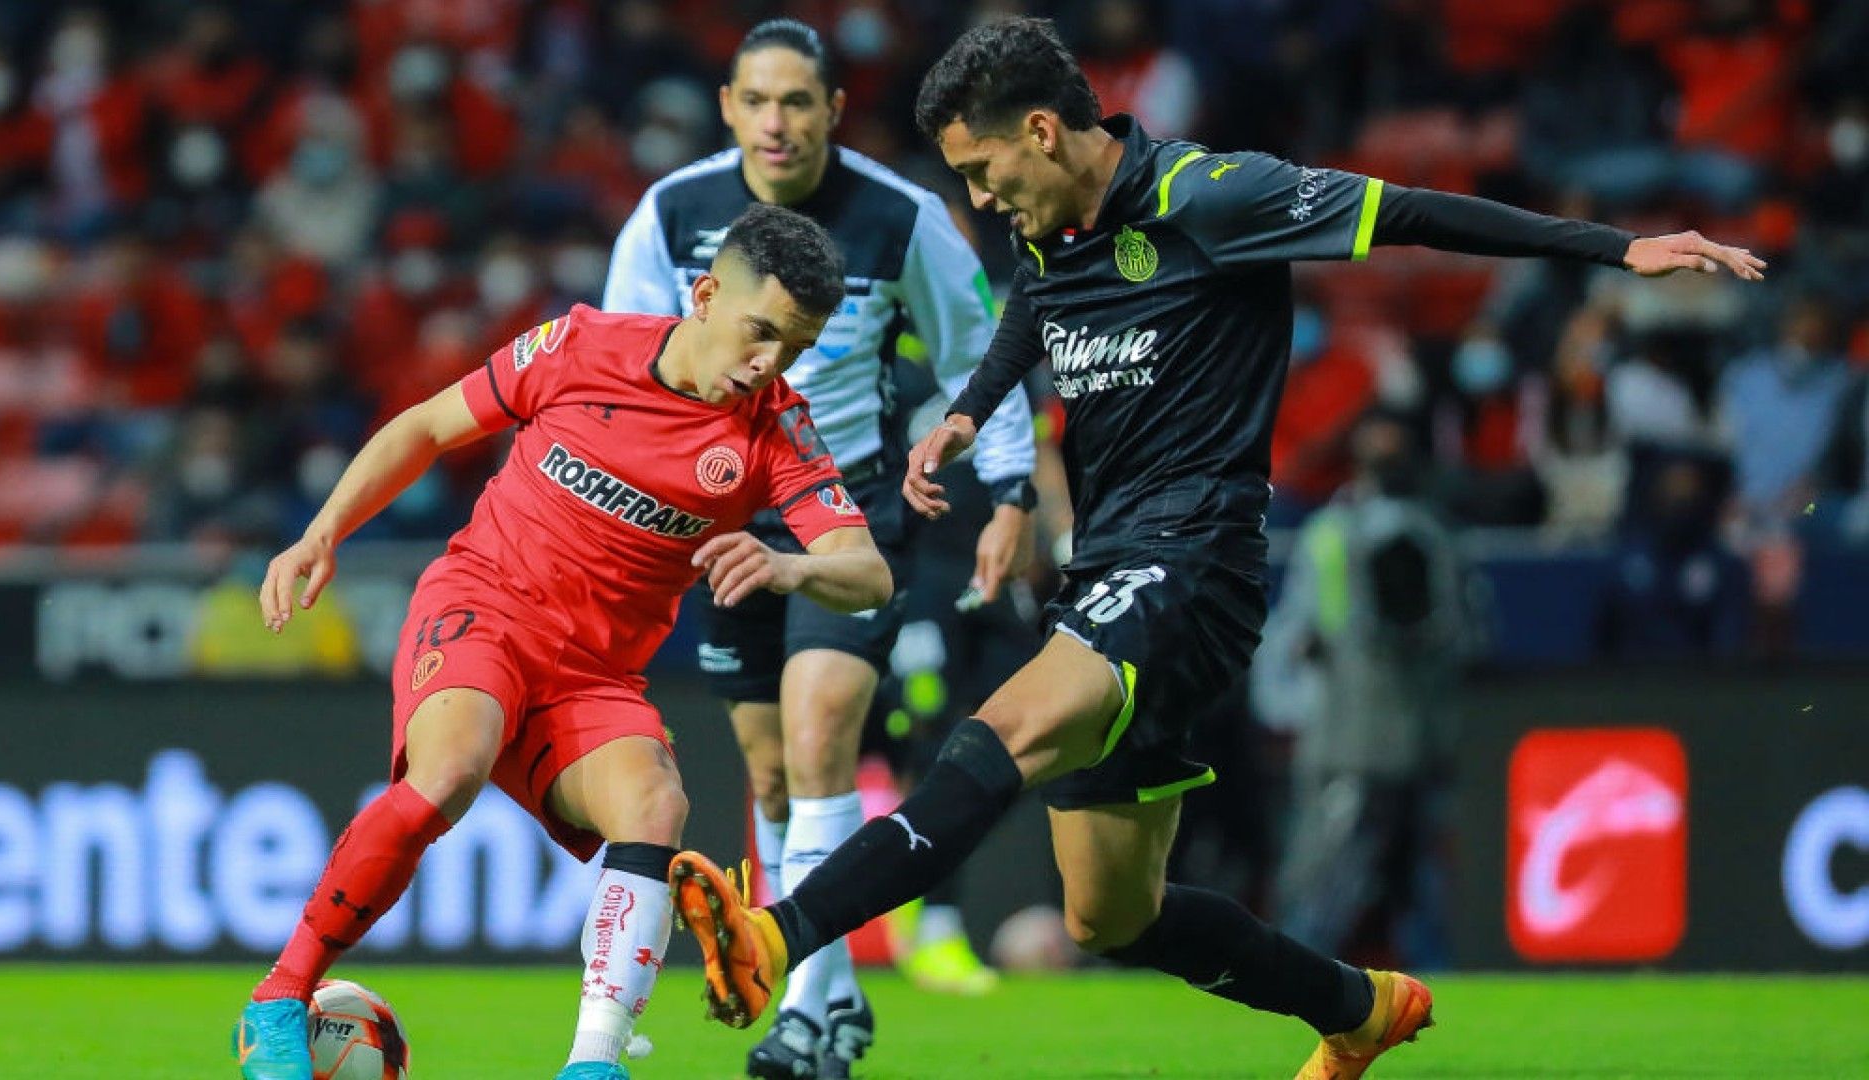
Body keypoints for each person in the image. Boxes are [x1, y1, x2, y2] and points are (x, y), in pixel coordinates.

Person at [665, 17, 1766, 1080]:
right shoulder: (1045, 222)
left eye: (984, 168)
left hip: (1195, 561)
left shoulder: (1213, 196)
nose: (980, 196)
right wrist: (968, 410)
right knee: (1112, 912)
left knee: (996, 730)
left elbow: (1418, 212)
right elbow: (1036, 303)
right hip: (1110, 568)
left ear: (1043, 130)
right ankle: (1359, 1009)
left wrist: (1618, 249)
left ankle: (777, 936)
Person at [229, 203, 893, 1080]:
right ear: (704, 296)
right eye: (761, 331)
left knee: (655, 806)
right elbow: (428, 426)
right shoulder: (579, 347)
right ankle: (280, 995)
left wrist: (792, 567)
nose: (770, 362)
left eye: (796, 346)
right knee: (449, 773)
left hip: (593, 676)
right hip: (484, 605)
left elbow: (869, 573)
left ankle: (594, 1064)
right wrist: (322, 534)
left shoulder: (776, 427)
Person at [603, 20, 1036, 1079]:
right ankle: (835, 1002)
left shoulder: (903, 216)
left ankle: (800, 1014)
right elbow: (623, 369)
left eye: (799, 101)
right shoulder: (672, 215)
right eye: (758, 100)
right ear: (727, 107)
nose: (777, 122)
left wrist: (1013, 488)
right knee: (772, 774)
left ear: (835, 110)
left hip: (851, 515)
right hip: (722, 526)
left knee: (821, 731)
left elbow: (981, 354)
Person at [1261, 412, 1477, 965]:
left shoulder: (1425, 536)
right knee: (1335, 885)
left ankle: (1434, 995)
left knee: (1407, 887)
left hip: (1391, 740)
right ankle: (1299, 977)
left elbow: (1458, 630)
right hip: (1362, 738)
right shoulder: (1354, 536)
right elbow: (1296, 636)